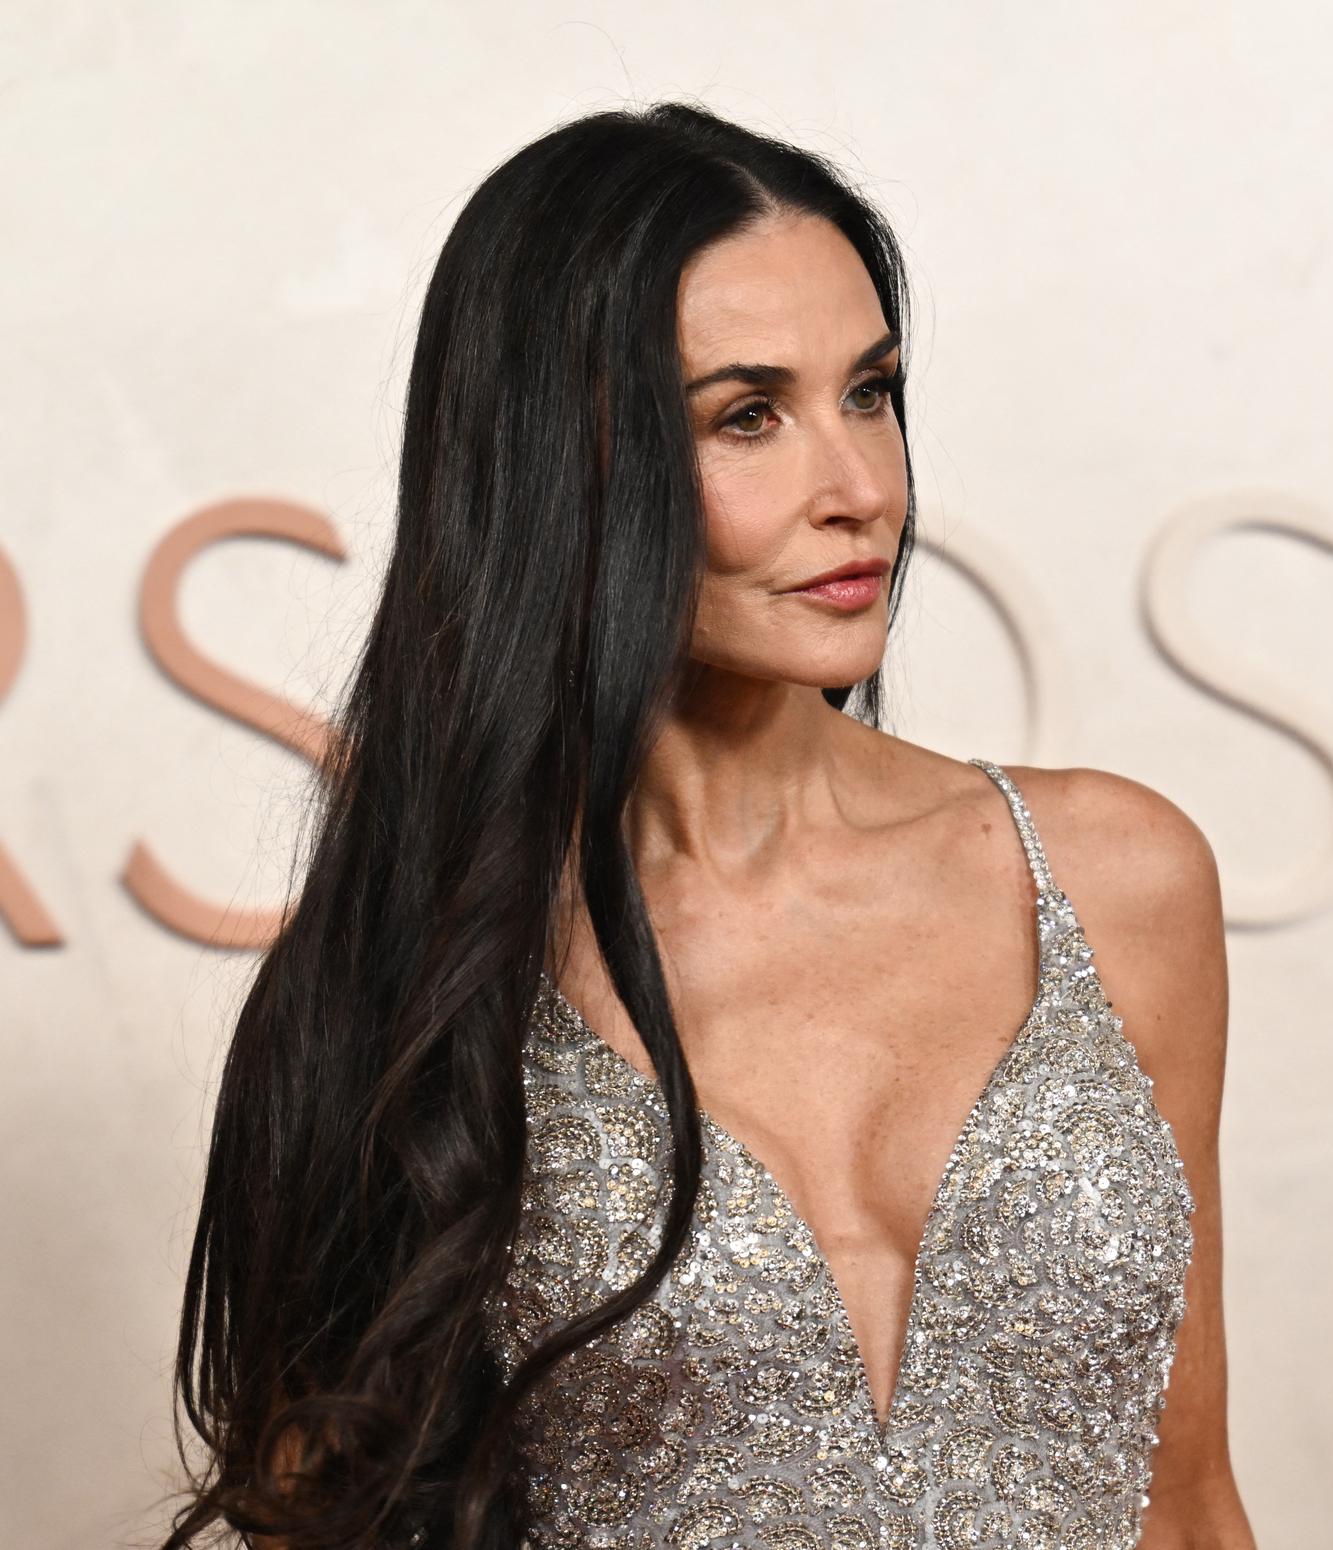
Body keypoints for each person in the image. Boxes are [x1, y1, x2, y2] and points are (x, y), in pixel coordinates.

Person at [162, 101, 1255, 1550]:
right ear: (569, 464)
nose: (861, 490)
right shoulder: (403, 984)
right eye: (749, 416)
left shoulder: (1116, 877)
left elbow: (1185, 1501)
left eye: (871, 393)